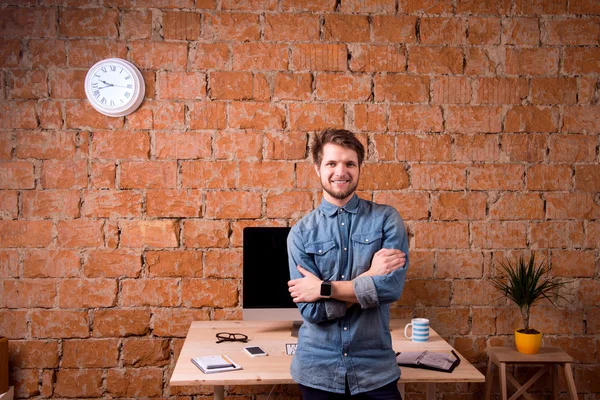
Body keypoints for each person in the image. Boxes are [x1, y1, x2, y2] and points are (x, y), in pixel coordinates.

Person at [287, 128, 409, 399]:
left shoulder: (387, 220)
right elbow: (312, 312)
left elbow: (390, 289)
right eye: (331, 163)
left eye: (349, 163)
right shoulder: (300, 233)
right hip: (317, 370)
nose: (340, 171)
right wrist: (370, 275)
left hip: (375, 370)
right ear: (317, 168)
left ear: (360, 168)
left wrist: (324, 289)